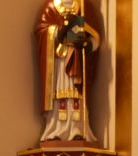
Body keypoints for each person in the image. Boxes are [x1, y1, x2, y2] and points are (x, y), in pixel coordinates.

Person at [37, 0, 103, 144]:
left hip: (77, 60)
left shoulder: (84, 6)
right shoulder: (51, 7)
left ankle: (78, 129)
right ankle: (56, 130)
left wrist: (87, 44)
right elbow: (42, 31)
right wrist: (58, 31)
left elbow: (95, 37)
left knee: (76, 94)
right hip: (58, 63)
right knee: (58, 95)